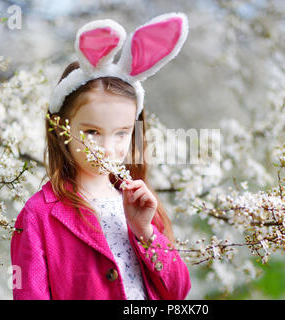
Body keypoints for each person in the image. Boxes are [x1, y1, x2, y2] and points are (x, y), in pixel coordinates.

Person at [10, 12, 191, 300]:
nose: (107, 147)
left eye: (121, 132)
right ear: (61, 130)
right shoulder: (38, 216)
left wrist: (145, 231)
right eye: (92, 132)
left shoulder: (137, 203)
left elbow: (177, 291)